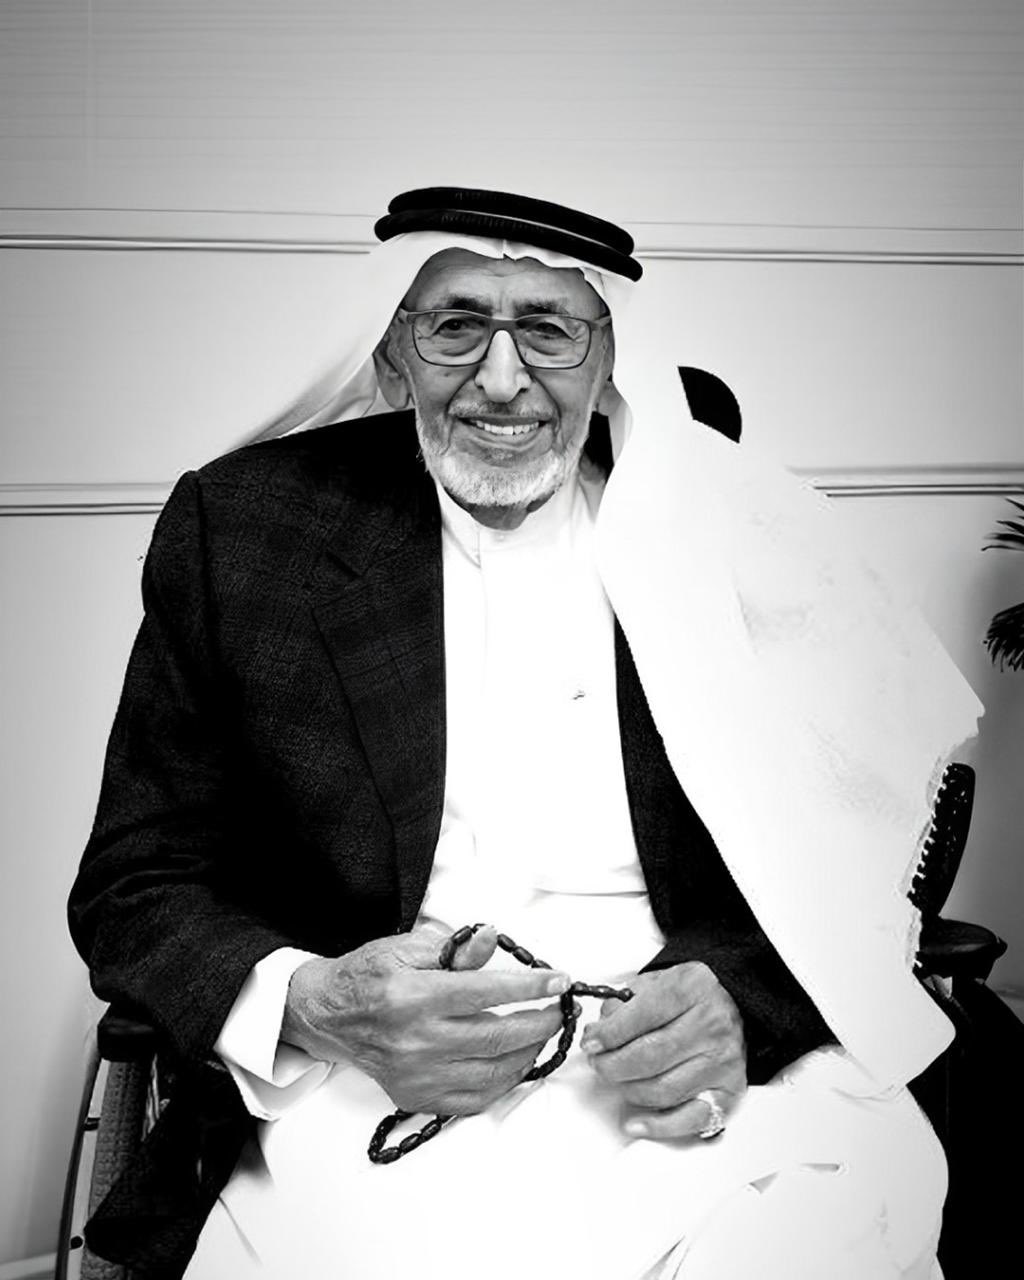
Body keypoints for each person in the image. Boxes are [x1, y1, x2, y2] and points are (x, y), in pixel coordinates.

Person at [69, 187, 983, 1280]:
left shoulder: (743, 536)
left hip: (692, 1086)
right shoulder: (248, 532)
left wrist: (740, 1000)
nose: (501, 380)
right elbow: (135, 883)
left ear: (610, 358)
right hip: (359, 1088)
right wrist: (318, 1003)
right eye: (456, 325)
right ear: (395, 352)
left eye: (548, 330)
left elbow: (858, 856)